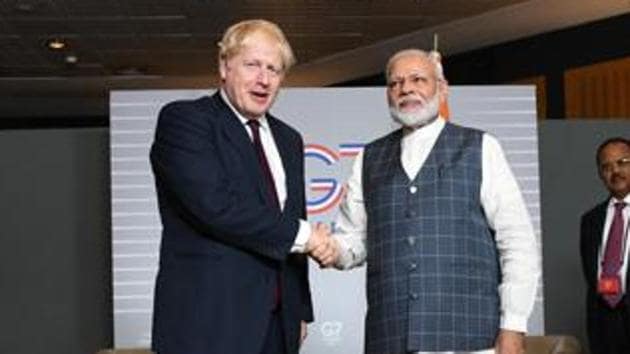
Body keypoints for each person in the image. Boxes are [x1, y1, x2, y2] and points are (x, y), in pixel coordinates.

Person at [313, 49, 541, 354]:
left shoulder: (481, 147)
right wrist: (332, 250)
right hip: (389, 338)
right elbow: (353, 240)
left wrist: (513, 327)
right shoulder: (369, 158)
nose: (406, 89)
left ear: (442, 88)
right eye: (395, 83)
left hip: (470, 339)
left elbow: (517, 242)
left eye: (418, 79)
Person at [149, 19, 331, 354]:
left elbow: (291, 216)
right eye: (252, 65)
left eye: (274, 70)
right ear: (224, 66)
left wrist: (300, 309)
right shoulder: (185, 121)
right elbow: (217, 207)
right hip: (209, 324)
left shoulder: (289, 139)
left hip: (278, 324)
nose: (264, 79)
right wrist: (309, 237)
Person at [580, 137, 630, 354]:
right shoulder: (590, 220)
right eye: (607, 167)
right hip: (604, 328)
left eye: (623, 162)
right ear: (601, 174)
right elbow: (592, 278)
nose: (615, 171)